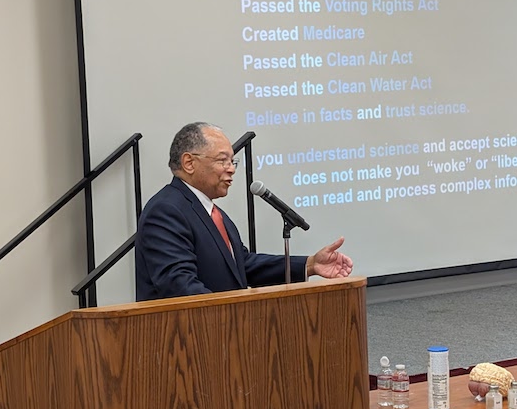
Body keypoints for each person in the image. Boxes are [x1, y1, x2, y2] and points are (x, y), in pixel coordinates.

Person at [135, 122, 353, 301]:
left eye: (233, 161)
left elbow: (243, 265)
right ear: (189, 162)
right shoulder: (166, 211)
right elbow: (179, 285)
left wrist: (310, 264)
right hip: (189, 343)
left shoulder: (212, 212)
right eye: (222, 160)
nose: (231, 168)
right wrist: (233, 315)